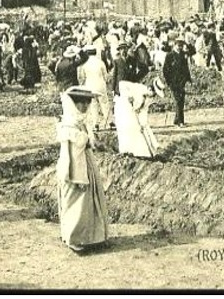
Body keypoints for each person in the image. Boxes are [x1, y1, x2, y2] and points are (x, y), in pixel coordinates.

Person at [56, 86, 109, 253]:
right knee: (76, 201)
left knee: (89, 201)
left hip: (86, 163)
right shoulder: (68, 125)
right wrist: (76, 177)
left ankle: (91, 237)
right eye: (80, 103)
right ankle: (74, 238)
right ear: (73, 104)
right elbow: (69, 154)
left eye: (87, 103)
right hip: (73, 168)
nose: (84, 106)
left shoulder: (81, 122)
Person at [114, 79, 165, 158]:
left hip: (133, 111)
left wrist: (142, 124)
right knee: (126, 129)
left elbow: (144, 111)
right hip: (123, 107)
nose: (154, 96)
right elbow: (121, 84)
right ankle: (125, 151)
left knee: (139, 129)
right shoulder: (138, 87)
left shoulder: (150, 99)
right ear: (150, 89)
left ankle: (141, 153)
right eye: (154, 93)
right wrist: (128, 95)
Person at [77, 45, 110, 131]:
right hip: (101, 85)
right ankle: (109, 122)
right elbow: (106, 76)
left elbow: (82, 78)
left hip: (90, 86)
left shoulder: (85, 64)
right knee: (104, 103)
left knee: (93, 105)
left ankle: (96, 124)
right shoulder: (100, 62)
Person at [163, 37, 192, 127]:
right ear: (174, 45)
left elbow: (186, 68)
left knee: (181, 100)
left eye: (181, 46)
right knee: (178, 100)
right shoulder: (170, 55)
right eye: (178, 45)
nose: (180, 47)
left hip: (181, 81)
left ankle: (177, 120)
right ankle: (180, 122)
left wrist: (188, 78)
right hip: (174, 82)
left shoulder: (183, 54)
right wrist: (169, 82)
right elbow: (165, 70)